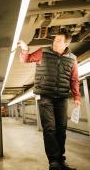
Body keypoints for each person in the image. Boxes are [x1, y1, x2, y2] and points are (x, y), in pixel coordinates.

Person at [17, 32, 81, 170]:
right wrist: (24, 49)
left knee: (61, 129)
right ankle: (53, 162)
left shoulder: (72, 59)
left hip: (62, 97)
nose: (54, 42)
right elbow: (25, 59)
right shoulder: (43, 52)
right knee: (50, 128)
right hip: (45, 96)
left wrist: (76, 96)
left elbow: (74, 79)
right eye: (54, 39)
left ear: (66, 44)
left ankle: (60, 160)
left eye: (58, 41)